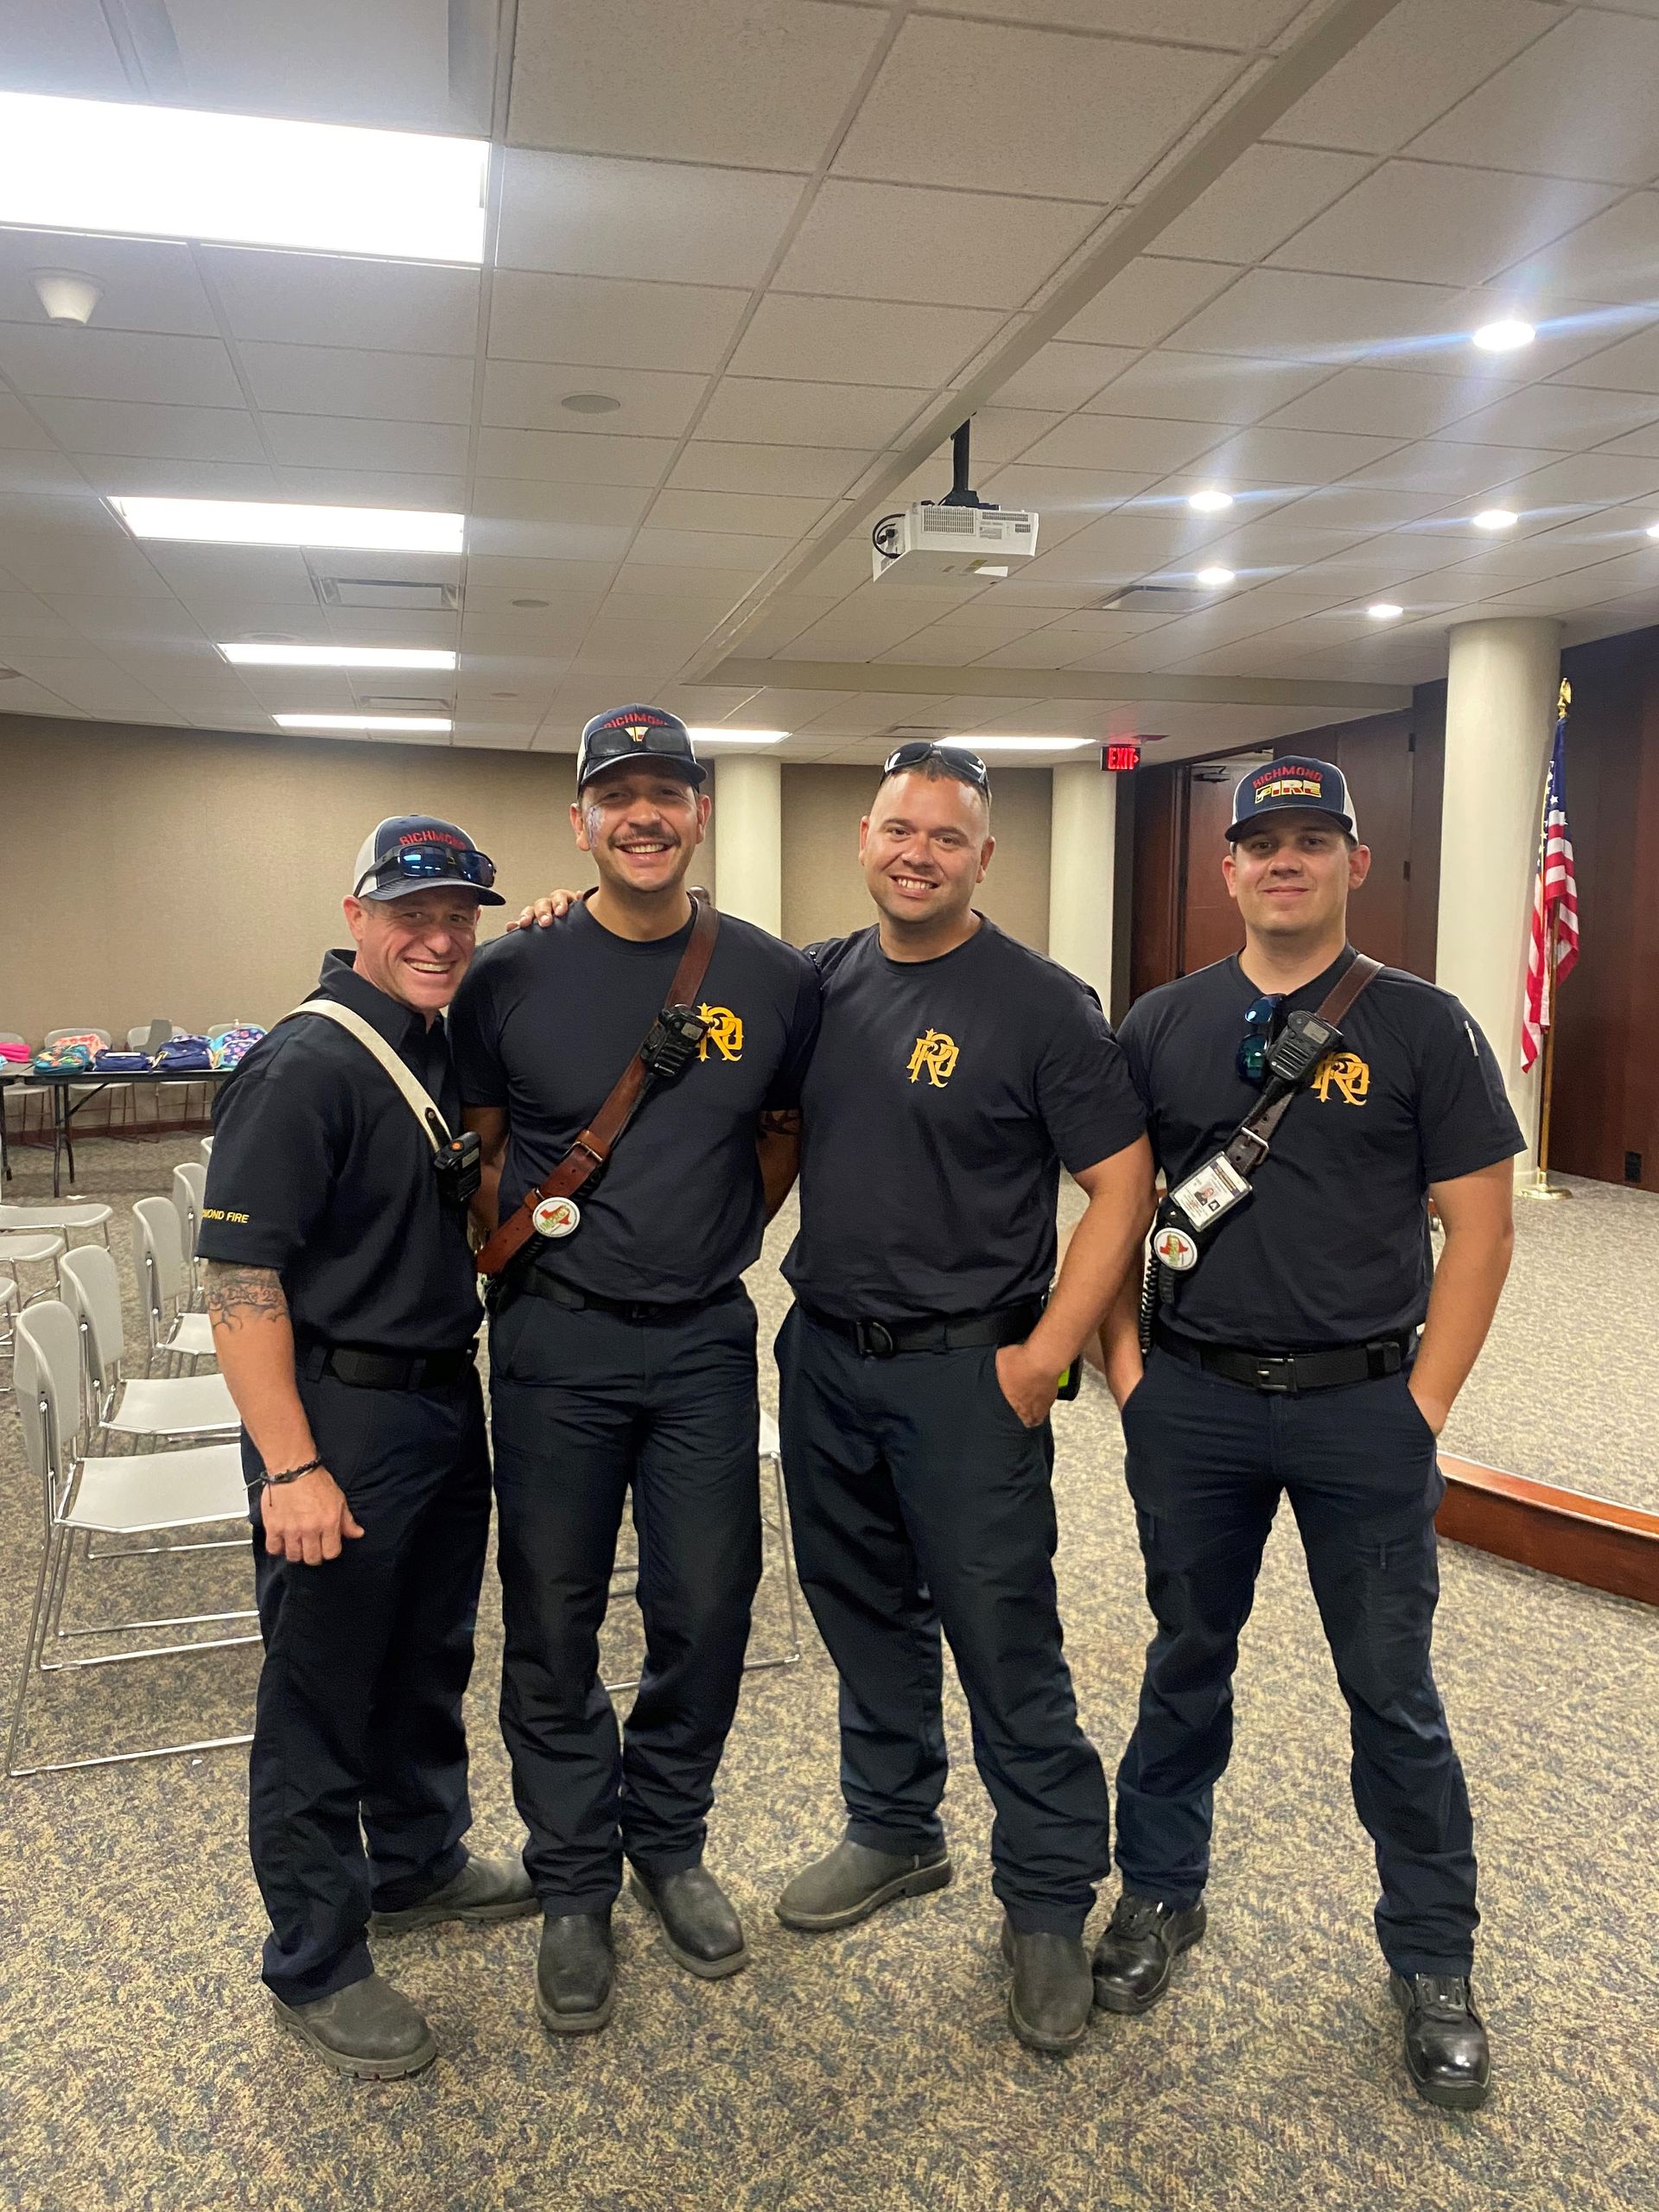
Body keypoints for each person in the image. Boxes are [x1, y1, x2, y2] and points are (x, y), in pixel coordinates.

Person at [1095, 755, 1522, 2112]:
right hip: (1196, 1403)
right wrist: (1125, 1372)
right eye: (1261, 843)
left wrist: (1426, 1406)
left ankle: (1434, 1958)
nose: (1285, 863)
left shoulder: (1425, 1026)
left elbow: (1482, 1228)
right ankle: (1162, 1892)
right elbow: (1113, 1209)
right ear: (1227, 869)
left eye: (1311, 841)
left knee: (1392, 1692)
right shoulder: (1160, 1023)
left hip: (1361, 1410)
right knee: (1184, 1663)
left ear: (1354, 863)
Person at [772, 741, 1153, 2055]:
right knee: (861, 1609)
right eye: (897, 829)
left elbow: (1124, 1186)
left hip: (968, 1373)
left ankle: (1046, 1899)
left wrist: (1046, 1355)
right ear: (863, 841)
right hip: (824, 1358)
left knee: (1003, 1635)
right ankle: (893, 1828)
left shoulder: (1044, 1004)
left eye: (946, 835)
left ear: (985, 855)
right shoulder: (821, 982)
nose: (916, 852)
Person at [450, 704, 820, 2037]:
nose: (645, 814)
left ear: (700, 814)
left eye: (669, 791)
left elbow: (781, 1134)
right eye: (620, 796)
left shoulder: (773, 977)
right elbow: (485, 1147)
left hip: (705, 1342)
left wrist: (711, 1231)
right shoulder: (513, 973)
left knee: (710, 1603)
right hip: (555, 1337)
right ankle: (570, 1884)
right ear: (583, 823)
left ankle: (666, 1840)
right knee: (550, 1613)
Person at [200, 816, 532, 2082]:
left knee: (423, 1658)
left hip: (441, 1403)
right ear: (357, 916)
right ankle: (315, 1957)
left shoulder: (435, 1038)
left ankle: (419, 1861)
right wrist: (289, 1465)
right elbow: (241, 1279)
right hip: (334, 1417)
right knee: (320, 1688)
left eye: (461, 915)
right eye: (413, 914)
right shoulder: (304, 1066)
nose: (440, 937)